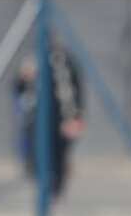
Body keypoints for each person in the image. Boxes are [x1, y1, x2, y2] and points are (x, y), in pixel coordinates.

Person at [14, 41, 84, 197]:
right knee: (36, 157)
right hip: (35, 117)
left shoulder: (61, 60)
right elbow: (18, 88)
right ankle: (44, 190)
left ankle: (55, 193)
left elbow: (74, 87)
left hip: (59, 117)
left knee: (58, 157)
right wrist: (22, 78)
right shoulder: (30, 59)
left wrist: (75, 116)